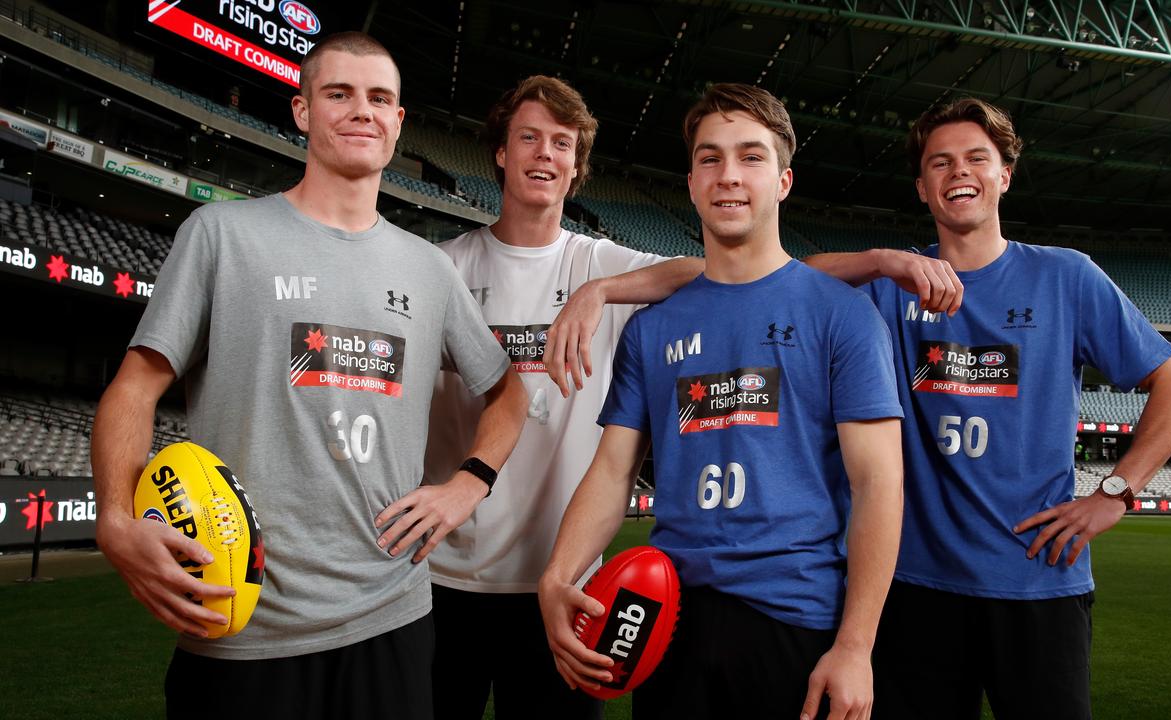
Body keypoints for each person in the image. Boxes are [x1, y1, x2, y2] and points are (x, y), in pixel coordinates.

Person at [90, 32, 527, 718]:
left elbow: (507, 389)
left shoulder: (430, 268)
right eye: (339, 94)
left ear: (399, 122)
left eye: (380, 98)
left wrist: (467, 485)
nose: (362, 110)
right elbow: (134, 387)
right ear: (301, 112)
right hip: (240, 619)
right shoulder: (221, 235)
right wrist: (114, 516)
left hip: (390, 614)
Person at [807, 98, 1171, 719]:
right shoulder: (890, 288)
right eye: (939, 163)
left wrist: (1116, 491)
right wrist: (884, 260)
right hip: (914, 586)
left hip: (1039, 580)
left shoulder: (1066, 277)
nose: (957, 172)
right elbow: (788, 280)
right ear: (922, 187)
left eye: (975, 159)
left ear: (1004, 175)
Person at [537, 83, 905, 720]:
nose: (729, 176)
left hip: (792, 617)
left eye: (751, 157)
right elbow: (613, 471)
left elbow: (879, 485)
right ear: (690, 181)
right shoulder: (652, 328)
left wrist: (855, 645)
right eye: (710, 158)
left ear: (784, 181)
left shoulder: (843, 316)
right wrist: (558, 574)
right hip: (668, 619)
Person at [423, 75, 702, 719]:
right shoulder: (442, 267)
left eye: (561, 143)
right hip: (443, 578)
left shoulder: (602, 266)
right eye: (529, 137)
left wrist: (600, 293)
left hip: (568, 586)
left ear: (576, 166)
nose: (544, 153)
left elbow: (712, 270)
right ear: (500, 151)